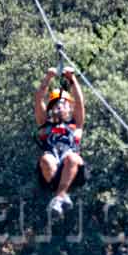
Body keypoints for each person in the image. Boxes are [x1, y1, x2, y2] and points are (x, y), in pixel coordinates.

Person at [34, 66, 86, 217]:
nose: (59, 106)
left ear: (69, 108)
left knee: (72, 157)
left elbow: (80, 102)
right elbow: (38, 100)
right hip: (52, 172)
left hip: (73, 169)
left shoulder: (76, 124)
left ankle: (59, 196)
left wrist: (72, 78)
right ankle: (61, 195)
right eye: (55, 104)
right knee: (45, 158)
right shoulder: (45, 124)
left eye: (63, 104)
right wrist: (48, 77)